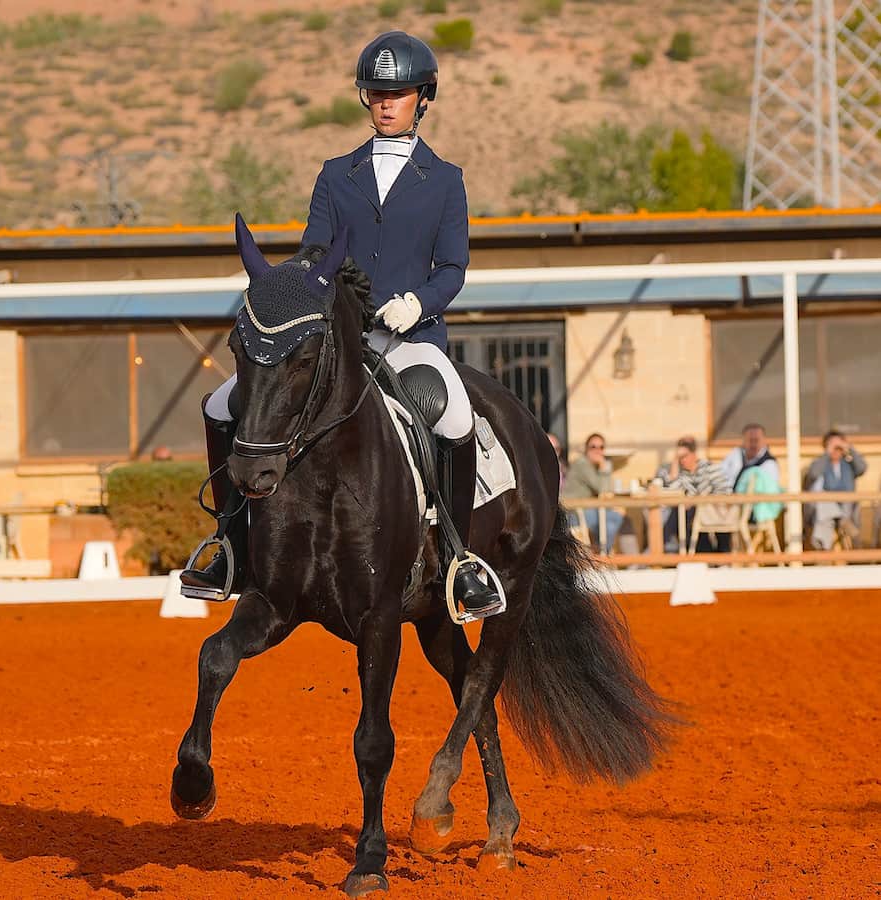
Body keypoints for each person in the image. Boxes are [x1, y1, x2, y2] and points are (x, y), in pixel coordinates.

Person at [181, 31, 501, 616]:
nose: (384, 102)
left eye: (397, 93)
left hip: (410, 341)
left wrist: (417, 304)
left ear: (422, 97)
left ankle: (457, 558)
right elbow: (313, 256)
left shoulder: (446, 179)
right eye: (375, 93)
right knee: (222, 405)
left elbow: (454, 266)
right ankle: (228, 543)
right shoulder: (336, 174)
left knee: (455, 414)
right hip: (339, 344)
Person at [653, 436, 731, 552]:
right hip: (692, 514)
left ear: (694, 454)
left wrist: (700, 502)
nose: (682, 460)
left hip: (714, 511)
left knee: (684, 515)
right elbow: (673, 493)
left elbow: (724, 491)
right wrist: (674, 468)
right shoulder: (682, 474)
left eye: (684, 456)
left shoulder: (710, 468)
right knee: (676, 513)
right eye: (679, 457)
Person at [561, 432, 624, 554]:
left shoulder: (592, 466)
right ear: (586, 449)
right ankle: (602, 555)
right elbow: (603, 489)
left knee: (624, 521)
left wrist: (603, 468)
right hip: (572, 513)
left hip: (583, 511)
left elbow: (608, 490)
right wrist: (605, 467)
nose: (597, 450)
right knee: (613, 518)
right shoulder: (582, 464)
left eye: (601, 447)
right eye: (593, 447)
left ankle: (635, 563)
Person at [805, 430, 867, 550]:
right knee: (824, 506)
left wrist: (849, 448)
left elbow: (862, 468)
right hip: (825, 506)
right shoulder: (821, 463)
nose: (836, 449)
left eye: (838, 446)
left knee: (824, 514)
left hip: (847, 507)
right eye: (833, 446)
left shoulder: (848, 464)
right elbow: (813, 474)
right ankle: (842, 520)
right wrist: (827, 453)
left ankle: (823, 550)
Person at [719, 422, 783, 525]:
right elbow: (721, 475)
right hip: (726, 503)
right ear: (744, 441)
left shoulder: (769, 464)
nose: (753, 444)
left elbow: (766, 495)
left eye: (756, 440)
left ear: (764, 441)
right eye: (750, 440)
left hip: (750, 510)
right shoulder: (736, 455)